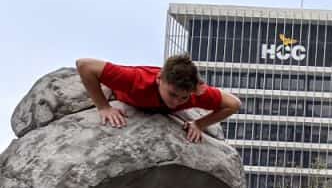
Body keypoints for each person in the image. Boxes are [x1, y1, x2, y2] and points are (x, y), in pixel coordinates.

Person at [76, 54, 241, 142]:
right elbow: (84, 65)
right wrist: (103, 107)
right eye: (172, 94)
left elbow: (233, 104)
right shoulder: (136, 80)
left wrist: (199, 124)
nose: (176, 101)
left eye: (183, 98)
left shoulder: (195, 93)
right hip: (120, 96)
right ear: (159, 79)